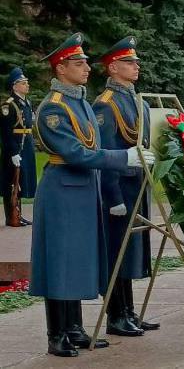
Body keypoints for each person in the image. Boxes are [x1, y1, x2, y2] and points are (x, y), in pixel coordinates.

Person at [28, 33, 154, 358]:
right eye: (78, 63)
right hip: (62, 190)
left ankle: (74, 328)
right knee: (60, 261)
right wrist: (122, 157)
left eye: (85, 62)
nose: (86, 68)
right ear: (61, 68)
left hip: (83, 189)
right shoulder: (53, 108)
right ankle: (57, 333)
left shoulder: (81, 102)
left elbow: (91, 147)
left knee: (78, 259)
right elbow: (75, 153)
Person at [93, 37, 159, 337]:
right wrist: (113, 196)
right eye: (129, 62)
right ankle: (116, 315)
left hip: (137, 184)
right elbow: (106, 153)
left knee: (131, 251)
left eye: (136, 61)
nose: (136, 66)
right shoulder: (105, 104)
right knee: (117, 252)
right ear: (113, 67)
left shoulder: (138, 101)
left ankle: (129, 311)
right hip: (120, 187)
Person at [2, 67, 36, 225]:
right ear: (15, 86)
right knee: (12, 181)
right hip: (15, 147)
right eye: (23, 83)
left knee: (21, 180)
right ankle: (12, 217)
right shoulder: (9, 105)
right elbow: (6, 132)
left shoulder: (26, 102)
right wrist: (13, 152)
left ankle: (18, 214)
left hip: (26, 145)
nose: (27, 85)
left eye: (26, 82)